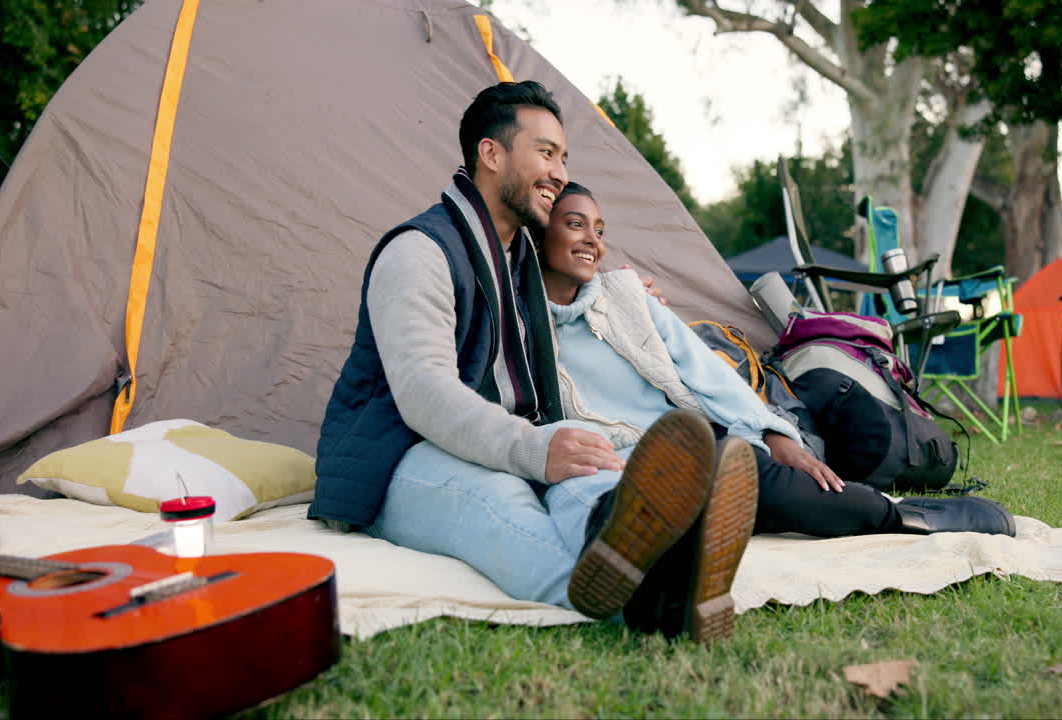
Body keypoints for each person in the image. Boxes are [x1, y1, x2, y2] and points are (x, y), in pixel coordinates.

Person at [308, 81, 757, 643]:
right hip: (397, 454)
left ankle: (637, 538)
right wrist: (532, 450)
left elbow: (575, 300)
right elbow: (424, 394)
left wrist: (627, 296)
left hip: (503, 436)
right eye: (545, 152)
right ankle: (659, 601)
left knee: (590, 462)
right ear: (491, 155)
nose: (560, 173)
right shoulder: (418, 252)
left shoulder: (519, 255)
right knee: (503, 497)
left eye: (564, 158)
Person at [533, 181, 1017, 636]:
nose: (592, 241)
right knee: (652, 516)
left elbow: (705, 369)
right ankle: (682, 563)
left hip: (692, 448)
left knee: (812, 495)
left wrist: (773, 433)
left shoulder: (627, 295)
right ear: (538, 230)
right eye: (575, 224)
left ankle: (910, 517)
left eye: (599, 230)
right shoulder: (514, 320)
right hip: (616, 473)